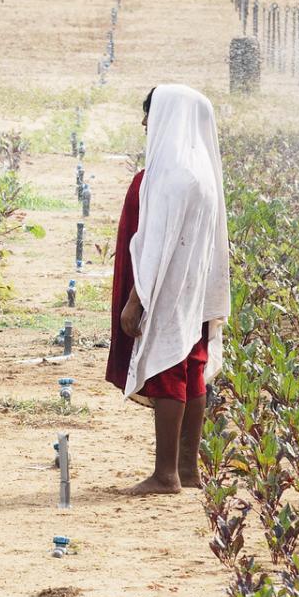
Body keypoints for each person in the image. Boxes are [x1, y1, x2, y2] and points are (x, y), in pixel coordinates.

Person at [103, 84, 231, 494]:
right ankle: (189, 470)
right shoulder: (201, 174)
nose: (144, 123)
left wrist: (136, 299)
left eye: (149, 114)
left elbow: (154, 244)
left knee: (167, 370)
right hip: (192, 288)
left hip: (166, 287)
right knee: (192, 368)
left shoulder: (168, 178)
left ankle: (165, 474)